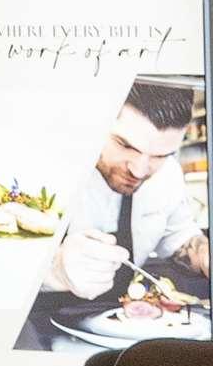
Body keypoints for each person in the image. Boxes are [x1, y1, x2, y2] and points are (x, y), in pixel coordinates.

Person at [14, 77, 208, 351]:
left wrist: (203, 255)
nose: (139, 170)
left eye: (160, 155)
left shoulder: (168, 176)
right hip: (31, 341)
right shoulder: (40, 165)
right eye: (125, 145)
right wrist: (54, 271)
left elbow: (180, 239)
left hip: (119, 340)